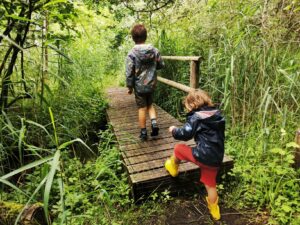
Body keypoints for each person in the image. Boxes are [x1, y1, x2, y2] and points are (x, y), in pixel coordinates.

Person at [165, 89, 225, 220]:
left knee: (179, 148)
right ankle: (215, 211)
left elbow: (186, 134)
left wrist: (174, 130)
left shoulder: (197, 117)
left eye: (188, 106)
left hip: (203, 155)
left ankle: (173, 167)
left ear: (193, 104)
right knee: (210, 184)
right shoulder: (217, 114)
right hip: (216, 157)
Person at [126, 24, 164, 141]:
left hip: (139, 87)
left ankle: (143, 132)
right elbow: (161, 64)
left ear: (133, 38)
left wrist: (130, 86)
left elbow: (129, 72)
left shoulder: (132, 53)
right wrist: (152, 68)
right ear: (145, 36)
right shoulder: (154, 50)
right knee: (150, 105)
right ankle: (154, 124)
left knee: (142, 108)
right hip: (151, 84)